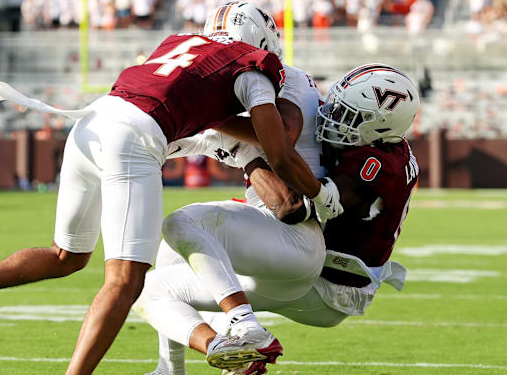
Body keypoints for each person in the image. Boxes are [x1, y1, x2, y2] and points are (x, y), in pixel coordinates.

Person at [0, 2, 343, 375]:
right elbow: (281, 149)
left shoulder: (179, 43)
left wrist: (223, 141)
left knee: (66, 256)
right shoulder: (251, 67)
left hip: (90, 124)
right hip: (134, 139)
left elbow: (186, 127)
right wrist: (321, 193)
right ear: (260, 43)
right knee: (126, 281)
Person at [133, 64, 421, 374]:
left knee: (147, 289)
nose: (334, 118)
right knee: (173, 253)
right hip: (316, 268)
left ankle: (238, 340)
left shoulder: (375, 166)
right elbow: (223, 141)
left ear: (380, 130)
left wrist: (245, 154)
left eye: (349, 117)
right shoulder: (373, 146)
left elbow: (292, 207)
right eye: (337, 106)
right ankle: (172, 369)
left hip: (331, 289)